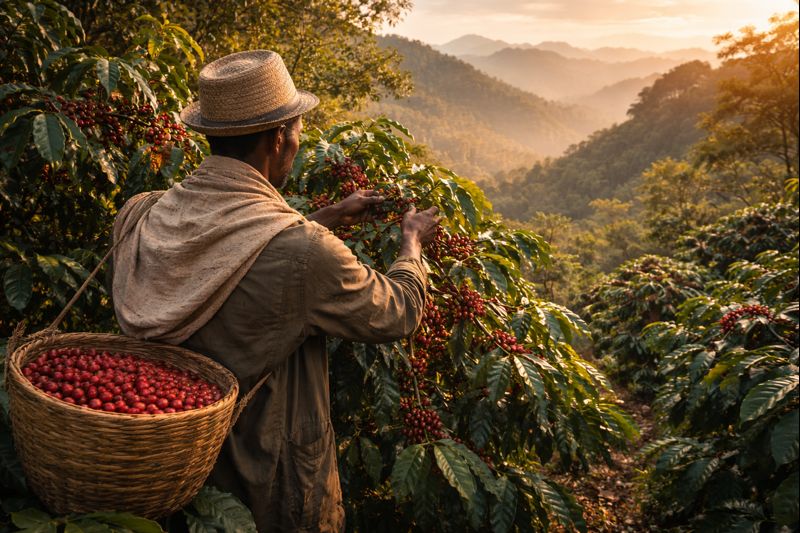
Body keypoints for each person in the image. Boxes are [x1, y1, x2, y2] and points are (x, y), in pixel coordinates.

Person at [111, 50, 440, 532]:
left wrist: (324, 218)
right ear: (278, 138)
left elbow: (237, 250)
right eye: (298, 134)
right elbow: (398, 311)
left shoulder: (139, 216)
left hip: (163, 472)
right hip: (267, 486)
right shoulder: (305, 254)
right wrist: (411, 243)